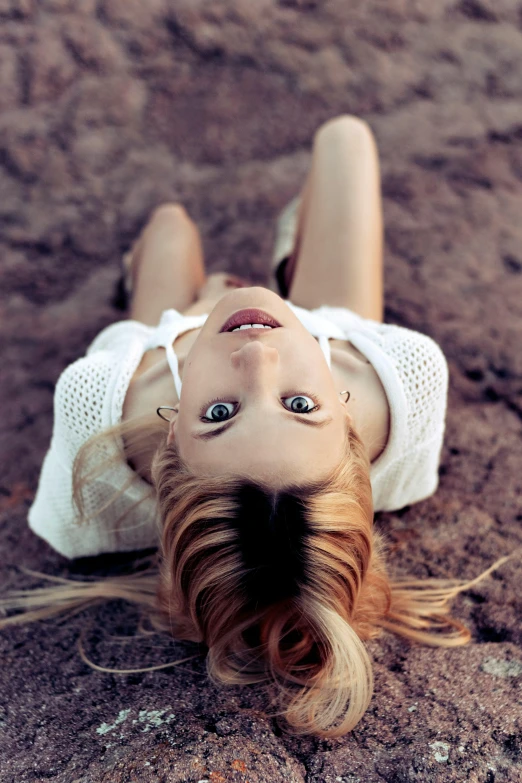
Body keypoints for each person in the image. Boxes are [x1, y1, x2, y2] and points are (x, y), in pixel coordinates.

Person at [1, 115, 509, 738]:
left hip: (166, 341)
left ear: (169, 447)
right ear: (349, 426)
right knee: (345, 138)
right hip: (324, 329)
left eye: (219, 415)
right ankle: (293, 264)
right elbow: (396, 484)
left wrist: (195, 314)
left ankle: (182, 299)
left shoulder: (108, 400)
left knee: (169, 227)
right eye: (299, 407)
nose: (257, 359)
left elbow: (74, 530)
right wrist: (263, 318)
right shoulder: (393, 383)